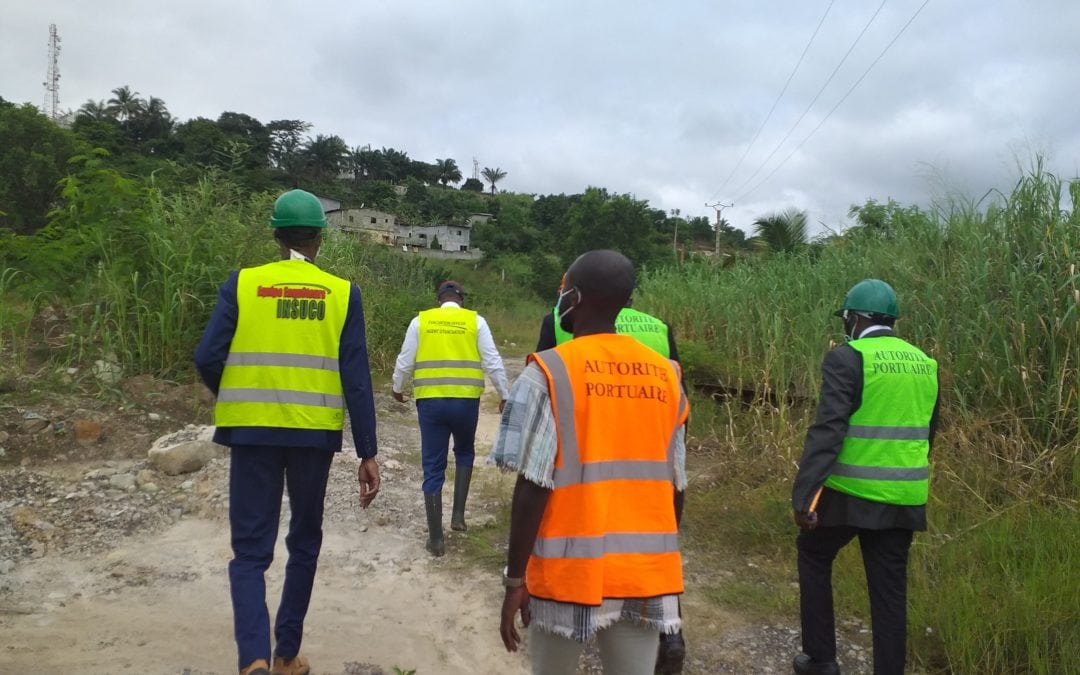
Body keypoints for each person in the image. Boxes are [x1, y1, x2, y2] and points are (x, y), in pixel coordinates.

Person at [195, 189, 381, 675]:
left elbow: (207, 356)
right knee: (304, 541)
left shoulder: (244, 284)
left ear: (276, 235)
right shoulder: (342, 294)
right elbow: (356, 379)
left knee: (250, 551)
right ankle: (286, 655)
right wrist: (368, 451)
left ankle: (252, 658)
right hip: (311, 438)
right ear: (320, 237)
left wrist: (238, 392)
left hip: (251, 433)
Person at [495, 250, 690, 675]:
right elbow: (676, 484)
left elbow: (532, 486)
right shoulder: (667, 376)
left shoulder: (549, 372)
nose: (560, 297)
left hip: (567, 574)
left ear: (576, 297)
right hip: (644, 572)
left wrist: (515, 580)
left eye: (563, 290)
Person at [791, 279, 940, 675]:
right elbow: (930, 430)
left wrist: (805, 496)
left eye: (846, 319)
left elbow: (829, 429)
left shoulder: (848, 358)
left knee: (813, 553)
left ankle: (821, 660)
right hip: (904, 496)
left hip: (849, 491)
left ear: (855, 318)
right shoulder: (925, 363)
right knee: (889, 592)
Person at [392, 280, 509, 556]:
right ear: (462, 301)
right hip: (465, 402)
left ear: (438, 301)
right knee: (465, 452)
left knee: (433, 465)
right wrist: (504, 394)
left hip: (430, 403)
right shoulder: (475, 321)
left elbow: (405, 360)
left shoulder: (421, 321)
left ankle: (436, 540)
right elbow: (492, 361)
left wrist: (397, 387)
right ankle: (458, 517)